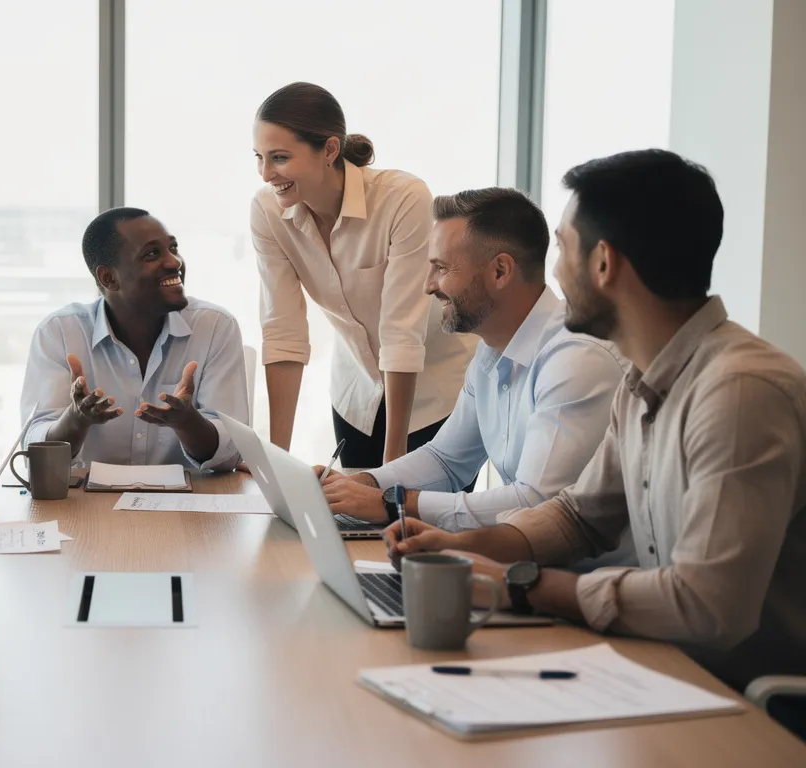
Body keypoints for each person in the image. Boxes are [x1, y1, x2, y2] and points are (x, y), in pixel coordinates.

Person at [384, 150, 806, 715]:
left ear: (603, 263)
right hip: (664, 668)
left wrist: (521, 584)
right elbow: (578, 516)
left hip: (748, 704)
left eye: (561, 247)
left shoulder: (738, 391)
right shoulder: (643, 380)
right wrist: (464, 550)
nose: (552, 272)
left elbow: (707, 607)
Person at [320, 188, 624, 532]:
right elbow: (446, 460)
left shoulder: (576, 359)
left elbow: (535, 503)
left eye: (441, 268)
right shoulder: (490, 350)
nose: (428, 286)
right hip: (522, 564)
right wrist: (361, 484)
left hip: (581, 580)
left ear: (500, 272)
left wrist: (395, 504)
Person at [251, 82, 474, 467]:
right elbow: (283, 333)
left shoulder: (402, 198)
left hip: (435, 394)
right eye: (259, 157)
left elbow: (401, 334)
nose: (266, 174)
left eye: (280, 158)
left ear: (330, 150)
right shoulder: (268, 211)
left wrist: (391, 469)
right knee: (353, 525)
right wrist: (275, 462)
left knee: (413, 520)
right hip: (357, 393)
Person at [20, 207, 248, 470]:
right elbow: (33, 451)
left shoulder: (216, 326)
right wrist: (76, 418)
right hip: (87, 508)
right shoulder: (59, 332)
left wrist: (186, 421)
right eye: (152, 254)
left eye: (173, 248)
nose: (174, 262)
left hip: (188, 507)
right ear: (108, 277)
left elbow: (231, 455)